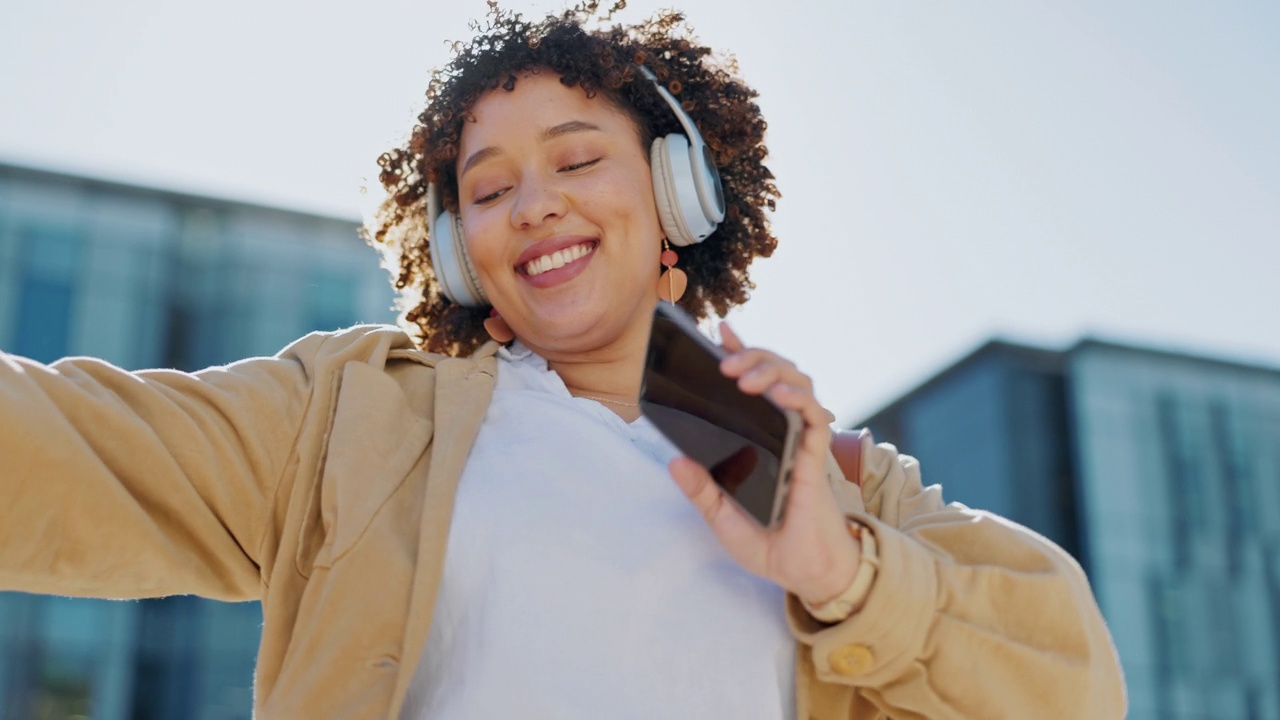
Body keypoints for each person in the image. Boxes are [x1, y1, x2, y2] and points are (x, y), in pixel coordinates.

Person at [0, 4, 1126, 719]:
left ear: (676, 193)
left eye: (576, 160)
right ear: (456, 252)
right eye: (487, 191)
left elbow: (1069, 688)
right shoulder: (352, 421)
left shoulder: (832, 483)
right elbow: (71, 453)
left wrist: (844, 577)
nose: (532, 205)